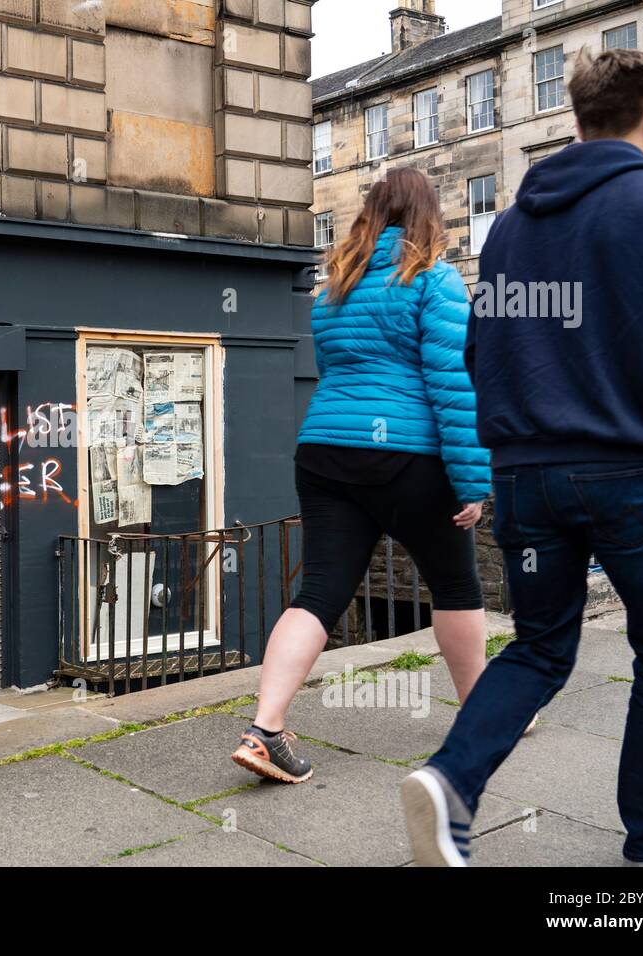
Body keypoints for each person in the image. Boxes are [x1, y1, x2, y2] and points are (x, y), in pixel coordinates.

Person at [402, 48, 643, 868]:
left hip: (525, 475)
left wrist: (514, 442)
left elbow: (482, 350)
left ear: (577, 119)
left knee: (542, 647)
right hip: (634, 469)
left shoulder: (509, 228)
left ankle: (451, 780)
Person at [231, 166, 491, 785]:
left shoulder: (333, 289)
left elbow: (344, 371)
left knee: (319, 591)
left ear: (371, 213)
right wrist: (473, 480)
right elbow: (452, 384)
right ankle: (483, 714)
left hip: (324, 449)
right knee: (454, 584)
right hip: (410, 455)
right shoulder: (435, 280)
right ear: (430, 214)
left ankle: (264, 729)